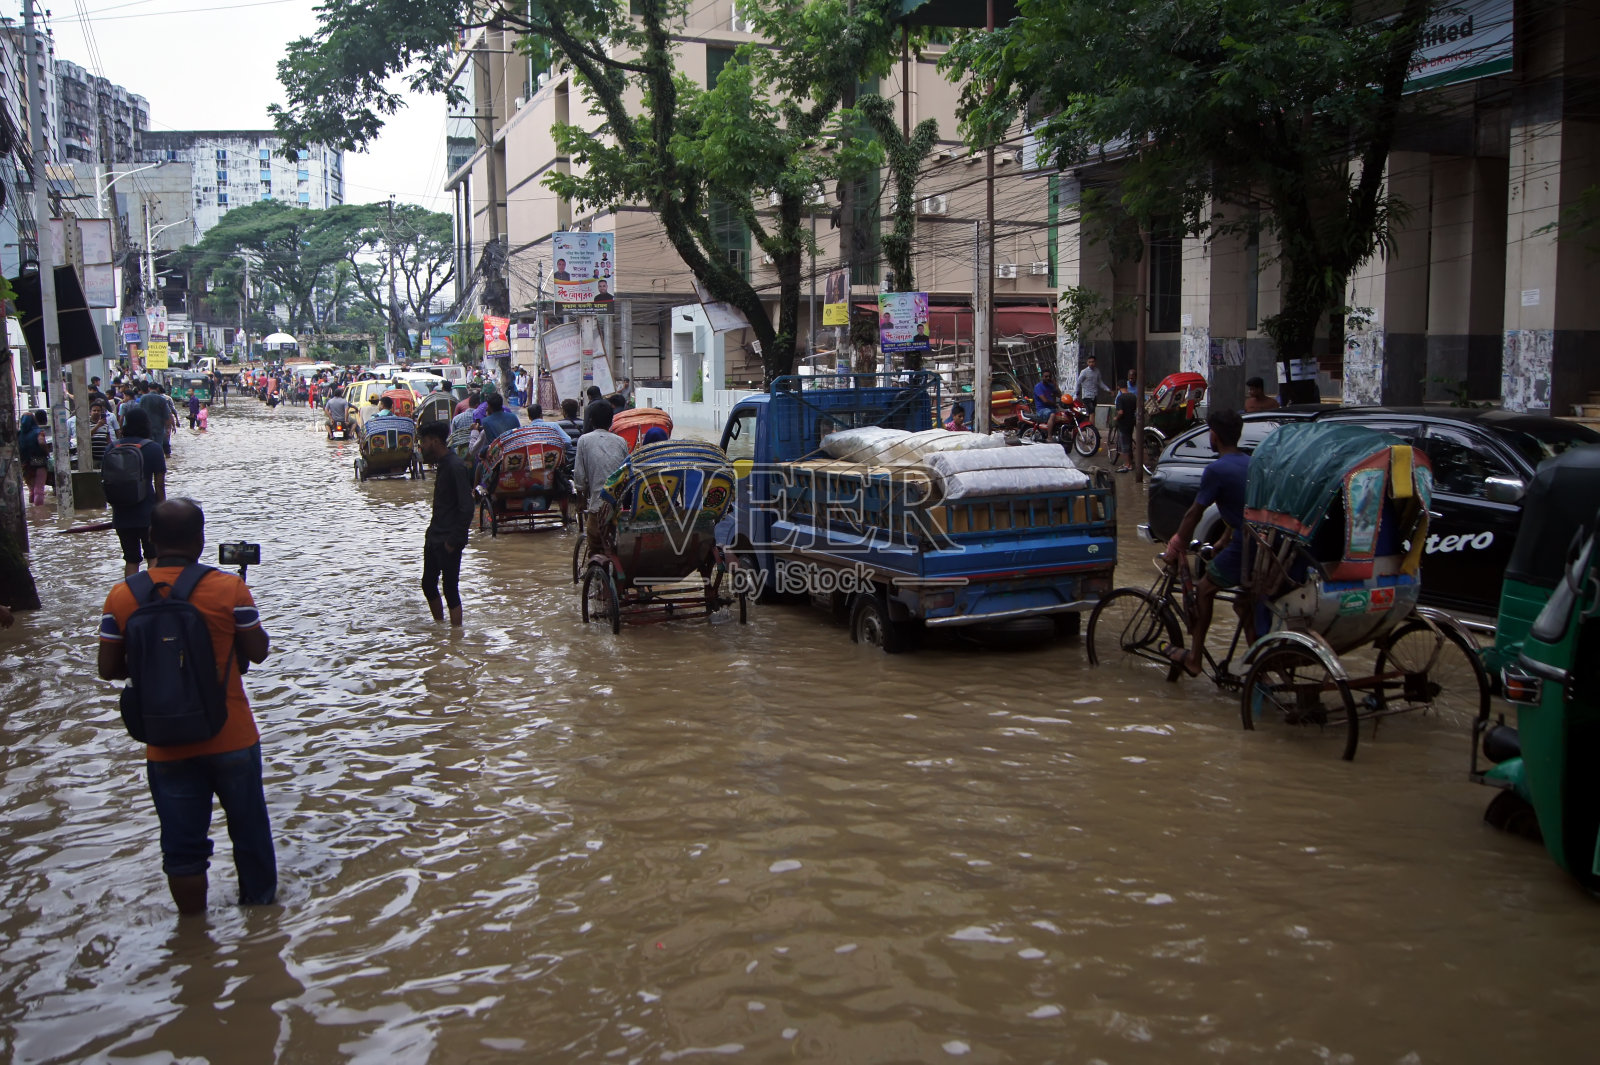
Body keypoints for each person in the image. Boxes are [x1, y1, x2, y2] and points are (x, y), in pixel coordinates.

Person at [97, 498, 275, 914]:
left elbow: (108, 668)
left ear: (151, 540)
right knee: (249, 832)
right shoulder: (229, 588)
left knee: (181, 847)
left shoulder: (122, 596)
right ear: (201, 539)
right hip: (231, 735)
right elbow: (259, 651)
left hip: (164, 742)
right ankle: (261, 922)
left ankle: (194, 937)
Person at [1162, 408, 1251, 678]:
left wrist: (1177, 543)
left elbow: (1194, 513)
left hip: (1245, 547)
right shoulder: (1250, 462)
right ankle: (1258, 659)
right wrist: (1223, 539)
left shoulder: (1216, 470)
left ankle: (1195, 658)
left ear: (1214, 436)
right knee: (1244, 602)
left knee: (1203, 590)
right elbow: (1240, 509)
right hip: (1256, 542)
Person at [416, 422, 473, 626]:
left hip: (448, 539)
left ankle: (456, 635)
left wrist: (454, 540)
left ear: (435, 441)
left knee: (450, 589)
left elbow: (467, 507)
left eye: (423, 441)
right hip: (434, 537)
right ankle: (441, 629)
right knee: (428, 585)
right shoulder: (442, 464)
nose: (421, 446)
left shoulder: (455, 466)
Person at [106, 407, 169, 577]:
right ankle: (152, 594)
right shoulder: (154, 448)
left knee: (131, 560)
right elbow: (160, 485)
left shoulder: (112, 447)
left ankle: (131, 597)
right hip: (148, 514)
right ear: (146, 424)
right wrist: (162, 512)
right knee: (153, 556)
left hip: (121, 514)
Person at [574, 399, 632, 560]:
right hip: (619, 507)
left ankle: (597, 579)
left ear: (591, 421)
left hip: (598, 507)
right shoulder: (620, 441)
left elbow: (579, 476)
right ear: (611, 421)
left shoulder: (584, 440)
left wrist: (580, 500)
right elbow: (625, 472)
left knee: (595, 549)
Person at [18, 413, 49, 506]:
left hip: (25, 463)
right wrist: (47, 452)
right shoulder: (39, 432)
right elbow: (42, 443)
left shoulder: (19, 434)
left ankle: (32, 510)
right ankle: (39, 512)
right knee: (39, 489)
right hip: (39, 461)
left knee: (31, 489)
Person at [1031, 369, 1070, 439]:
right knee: (1052, 415)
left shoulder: (1051, 386)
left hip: (1051, 409)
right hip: (1042, 410)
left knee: (1065, 415)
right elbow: (1045, 400)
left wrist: (1055, 385)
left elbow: (1060, 395)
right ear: (1042, 377)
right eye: (1046, 376)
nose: (1048, 378)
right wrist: (1054, 404)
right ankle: (1049, 437)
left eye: (1049, 376)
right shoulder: (1038, 387)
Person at [1075, 355, 1112, 423]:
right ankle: (1093, 429)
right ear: (1087, 363)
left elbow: (1100, 382)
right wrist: (1077, 393)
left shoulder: (1097, 371)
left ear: (1095, 362)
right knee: (1092, 412)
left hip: (1094, 395)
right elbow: (1078, 382)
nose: (1091, 363)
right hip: (1086, 396)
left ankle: (1088, 427)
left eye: (1093, 362)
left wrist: (1108, 390)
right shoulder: (1084, 372)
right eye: (1090, 362)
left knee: (1091, 413)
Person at [1113, 380, 1138, 473]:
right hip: (1131, 422)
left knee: (1124, 445)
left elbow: (1120, 412)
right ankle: (1130, 462)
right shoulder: (1133, 396)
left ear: (1119, 387)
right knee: (1129, 442)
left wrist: (1116, 418)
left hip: (1123, 423)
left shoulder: (1120, 398)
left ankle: (1127, 464)